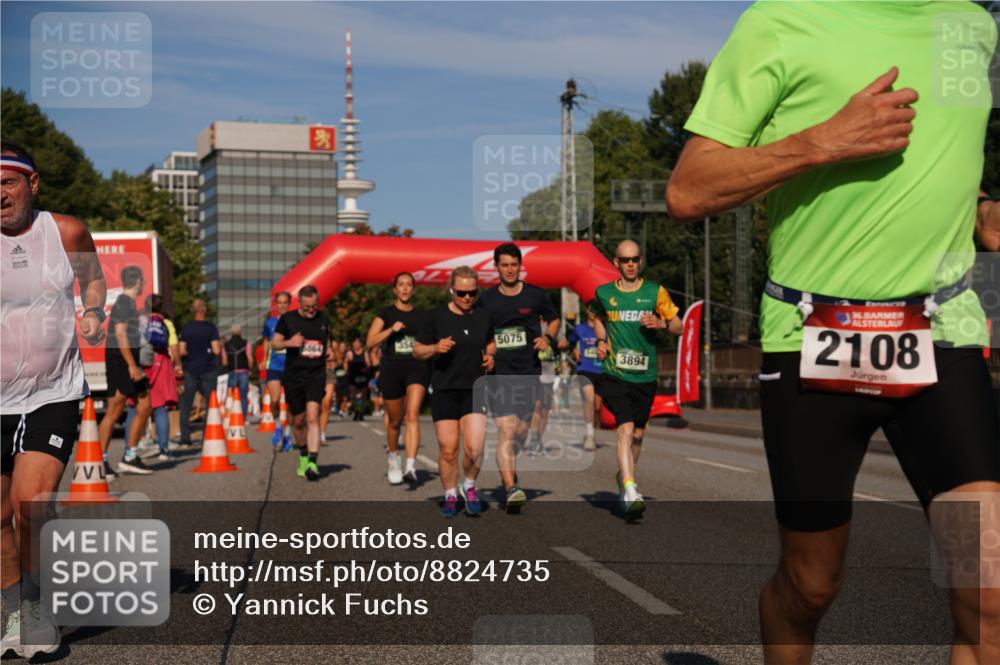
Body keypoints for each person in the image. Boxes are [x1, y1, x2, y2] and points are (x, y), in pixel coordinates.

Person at [667, 3, 1000, 662]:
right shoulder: (783, 19)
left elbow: (934, 160)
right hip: (813, 333)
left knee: (988, 589)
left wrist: (980, 208)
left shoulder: (974, 22)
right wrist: (823, 140)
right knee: (811, 584)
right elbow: (688, 190)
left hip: (941, 332)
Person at [1, 140, 107, 658]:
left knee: (33, 504)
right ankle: (13, 611)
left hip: (53, 393)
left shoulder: (65, 231)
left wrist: (91, 310)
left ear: (32, 184)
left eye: (8, 182)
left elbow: (93, 280)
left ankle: (40, 610)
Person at [591, 241, 681, 518]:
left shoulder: (655, 292)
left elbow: (679, 326)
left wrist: (661, 324)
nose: (630, 264)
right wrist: (601, 340)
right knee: (625, 429)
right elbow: (597, 318)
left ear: (640, 261)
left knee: (639, 435)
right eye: (625, 260)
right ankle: (630, 488)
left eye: (635, 259)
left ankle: (625, 476)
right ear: (616, 263)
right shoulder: (604, 293)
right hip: (615, 373)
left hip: (645, 375)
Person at [479, 243, 560, 513]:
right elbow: (481, 334)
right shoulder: (487, 300)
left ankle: (509, 469)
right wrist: (486, 355)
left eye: (514, 264)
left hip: (528, 371)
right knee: (506, 429)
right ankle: (510, 487)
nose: (510, 270)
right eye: (504, 265)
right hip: (500, 373)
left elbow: (554, 318)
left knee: (521, 431)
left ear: (519, 266)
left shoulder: (535, 295)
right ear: (496, 267)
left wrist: (546, 336)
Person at [414, 266, 495, 517]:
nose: (467, 298)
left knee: (475, 448)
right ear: (452, 290)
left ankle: (469, 485)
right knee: (449, 449)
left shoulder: (484, 316)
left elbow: (490, 342)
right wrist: (436, 348)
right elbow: (417, 351)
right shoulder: (435, 317)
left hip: (475, 389)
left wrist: (490, 357)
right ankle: (450, 494)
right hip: (445, 389)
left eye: (472, 293)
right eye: (462, 293)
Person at [366, 272, 430, 485]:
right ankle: (394, 458)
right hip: (392, 369)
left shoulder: (422, 316)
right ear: (395, 289)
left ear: (413, 289)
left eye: (409, 285)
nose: (405, 288)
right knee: (394, 421)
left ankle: (411, 466)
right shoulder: (386, 313)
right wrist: (390, 330)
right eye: (401, 285)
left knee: (412, 414)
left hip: (416, 369)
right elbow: (370, 342)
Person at [96, 265, 155, 476]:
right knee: (114, 411)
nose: (144, 285)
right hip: (120, 363)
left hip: (130, 362)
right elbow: (120, 335)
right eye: (143, 282)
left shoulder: (129, 304)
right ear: (138, 281)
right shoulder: (123, 303)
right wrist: (131, 365)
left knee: (145, 406)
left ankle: (130, 455)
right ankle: (100, 460)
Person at [271, 285, 332, 481]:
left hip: (316, 373)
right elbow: (275, 343)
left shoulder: (324, 318)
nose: (311, 310)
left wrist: (329, 351)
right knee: (298, 421)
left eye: (314, 306)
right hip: (294, 375)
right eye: (307, 307)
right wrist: (290, 343)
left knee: (313, 416)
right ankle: (304, 455)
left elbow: (327, 341)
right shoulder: (287, 319)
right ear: (300, 303)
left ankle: (313, 463)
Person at [177, 299, 224, 446]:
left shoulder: (186, 328)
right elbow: (216, 350)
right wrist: (220, 346)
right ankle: (207, 436)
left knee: (186, 403)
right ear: (205, 310)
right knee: (210, 404)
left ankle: (185, 438)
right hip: (208, 369)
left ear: (192, 310)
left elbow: (181, 350)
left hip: (191, 369)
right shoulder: (211, 328)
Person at [566, 304, 603, 450]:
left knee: (598, 407)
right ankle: (589, 434)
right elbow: (571, 343)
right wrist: (575, 352)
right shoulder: (580, 329)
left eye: (595, 309)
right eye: (590, 309)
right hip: (585, 369)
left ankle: (592, 430)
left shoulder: (605, 328)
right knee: (589, 399)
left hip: (601, 369)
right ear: (586, 311)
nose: (592, 312)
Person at [261, 291, 291, 446]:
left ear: (289, 304)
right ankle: (278, 426)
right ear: (276, 305)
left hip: (292, 366)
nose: (282, 305)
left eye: (285, 302)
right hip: (274, 365)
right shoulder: (270, 323)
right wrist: (264, 358)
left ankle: (288, 433)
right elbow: (266, 341)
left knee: (293, 404)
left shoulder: (295, 322)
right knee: (275, 400)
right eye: (279, 302)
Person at [224, 324, 254, 419]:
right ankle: (243, 417)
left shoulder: (225, 345)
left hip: (231, 371)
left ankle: (231, 416)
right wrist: (250, 368)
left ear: (231, 332)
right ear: (241, 332)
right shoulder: (246, 343)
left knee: (231, 395)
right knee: (243, 396)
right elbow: (250, 358)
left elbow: (224, 361)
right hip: (243, 371)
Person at [345, 337, 371, 421]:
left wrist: (367, 367)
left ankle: (361, 412)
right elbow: (345, 363)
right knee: (354, 395)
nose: (356, 344)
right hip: (353, 377)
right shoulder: (350, 352)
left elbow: (368, 364)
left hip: (363, 377)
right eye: (354, 342)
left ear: (361, 344)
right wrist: (346, 369)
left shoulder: (365, 353)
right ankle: (356, 410)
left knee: (362, 397)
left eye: (357, 342)